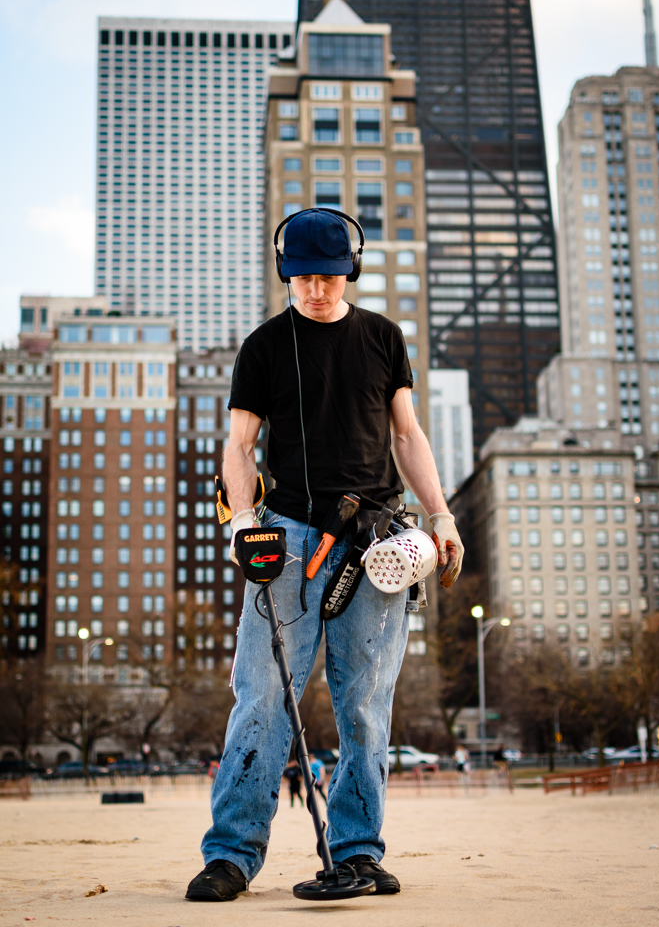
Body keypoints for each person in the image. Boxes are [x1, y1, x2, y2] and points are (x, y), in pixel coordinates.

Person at [186, 209, 464, 902]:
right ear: (286, 273)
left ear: (351, 271)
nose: (316, 289)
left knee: (365, 705)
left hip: (375, 542)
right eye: (304, 276)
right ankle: (230, 856)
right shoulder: (263, 346)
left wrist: (440, 515)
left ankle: (359, 853)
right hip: (285, 541)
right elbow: (239, 447)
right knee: (260, 701)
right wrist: (242, 523)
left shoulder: (381, 338)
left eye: (329, 276)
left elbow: (407, 437)